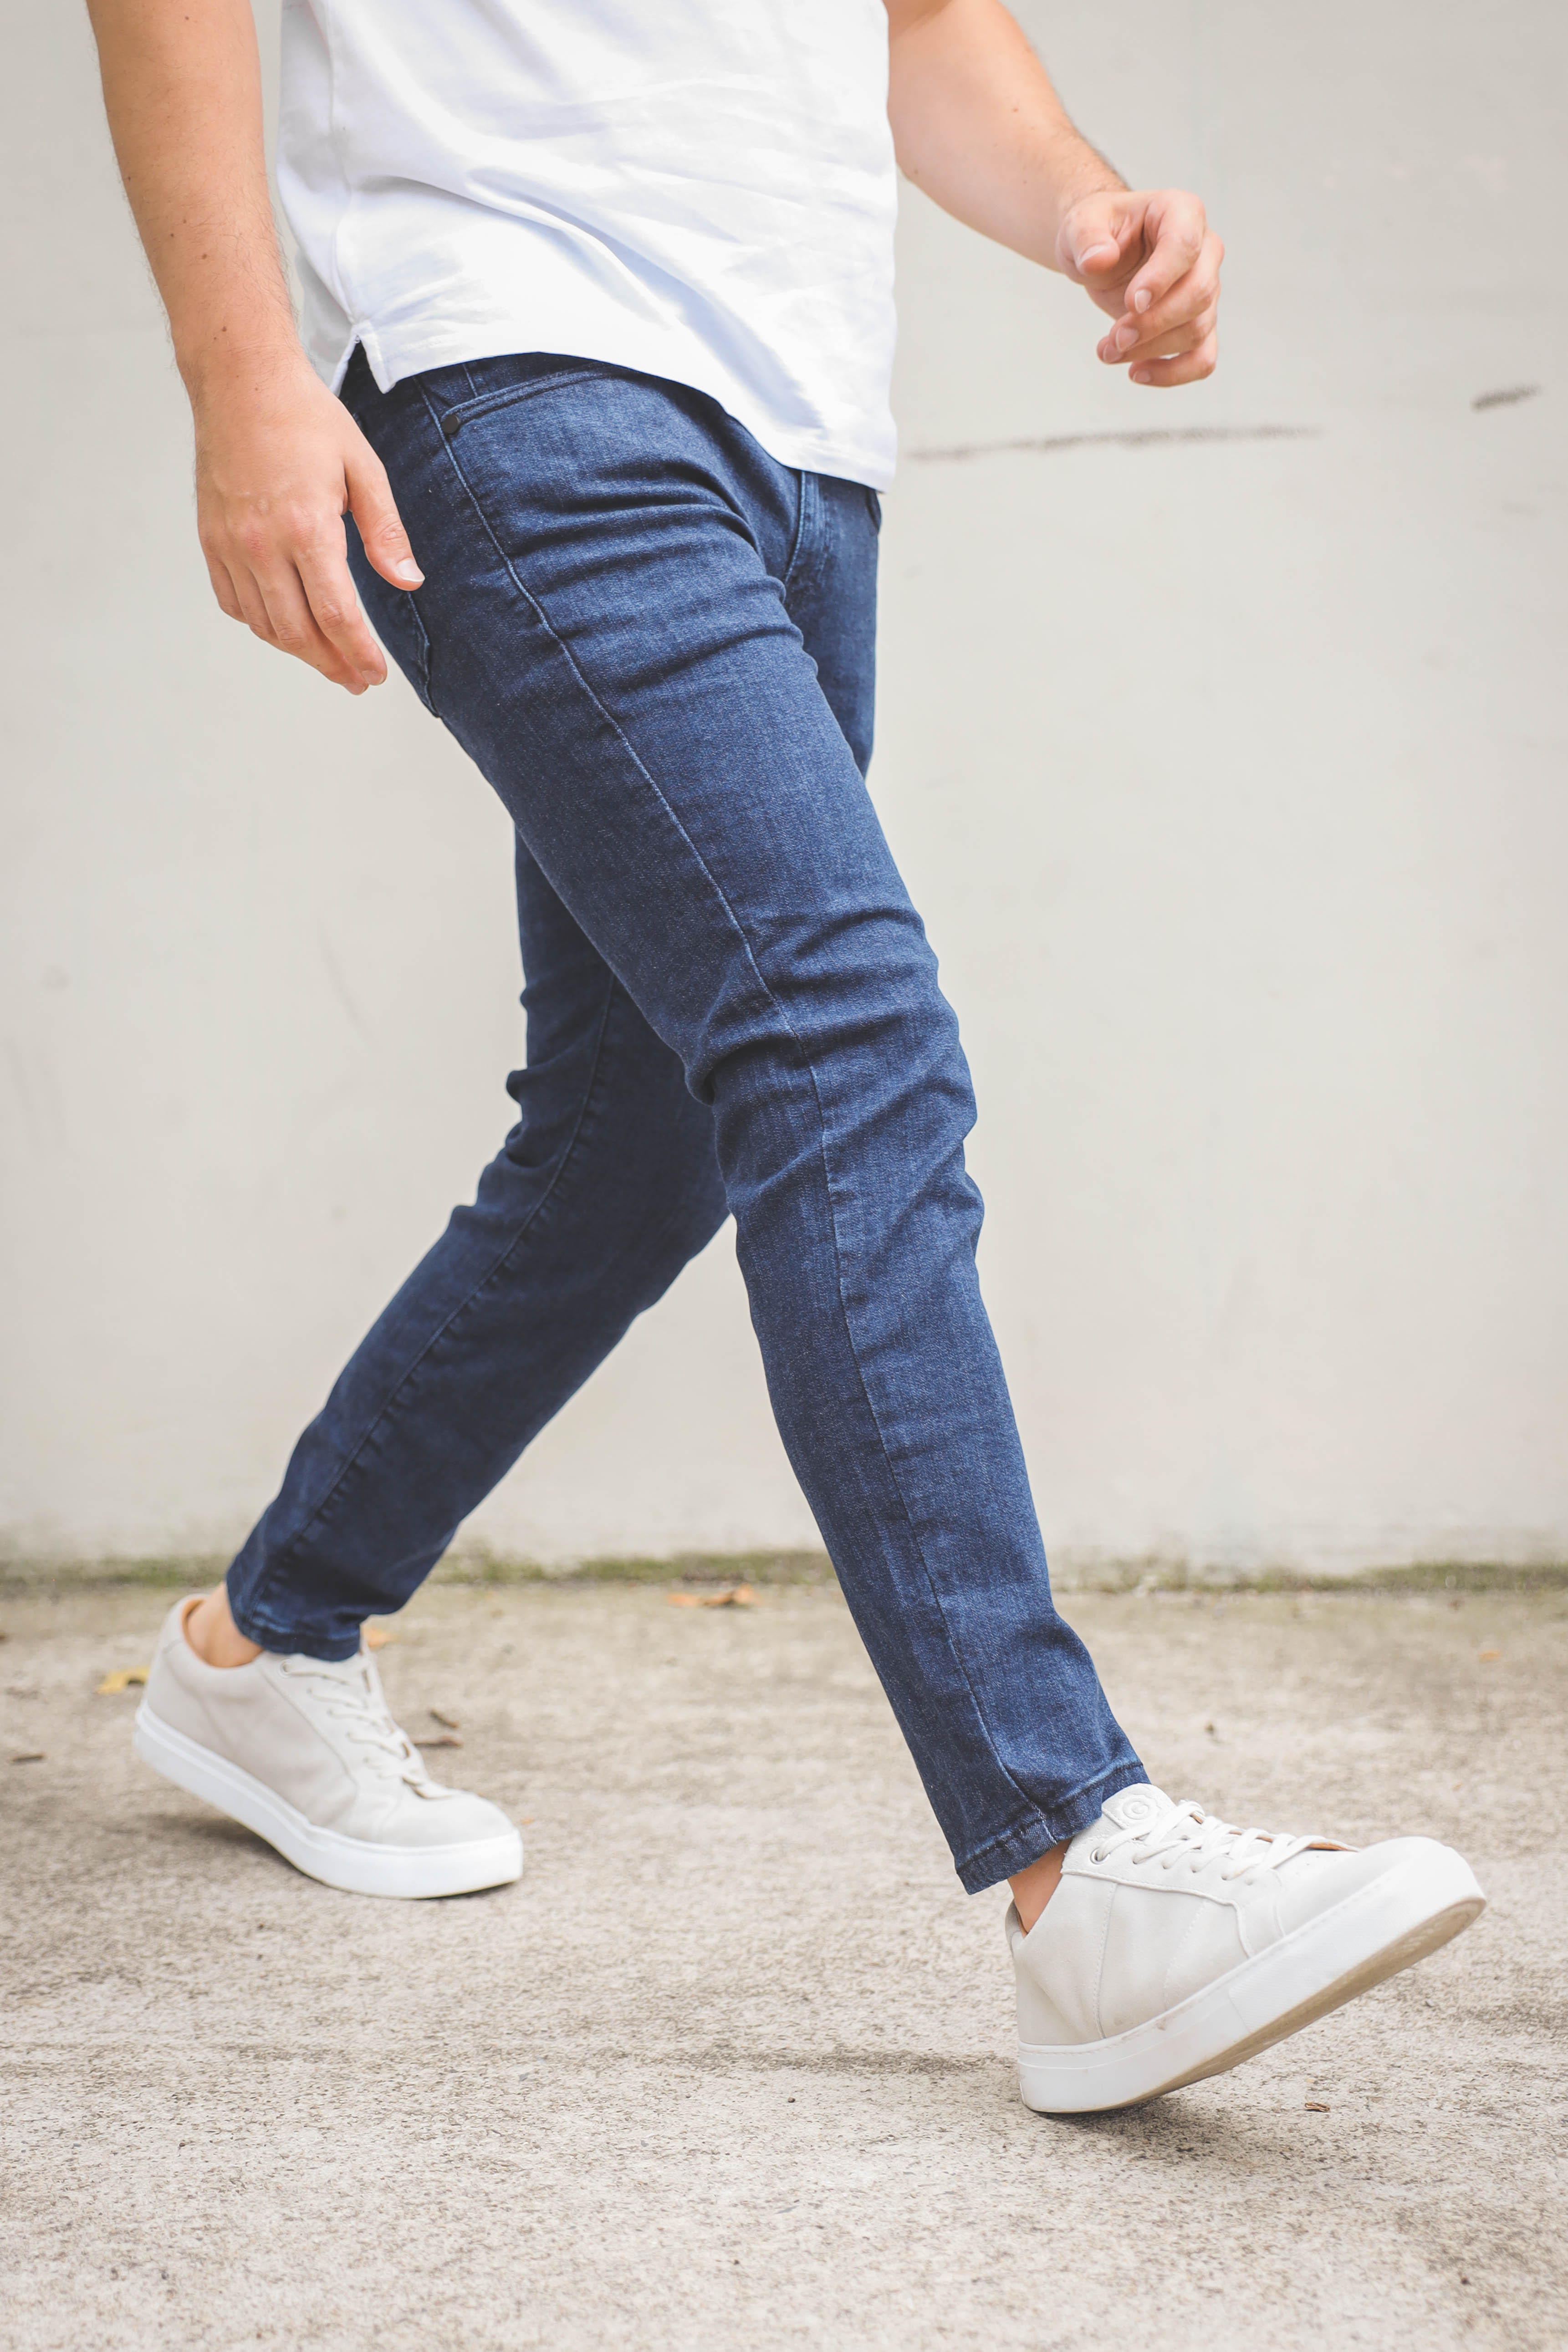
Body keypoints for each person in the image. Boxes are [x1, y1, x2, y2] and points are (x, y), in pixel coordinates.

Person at [88, 0, 1483, 2115]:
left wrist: (1085, 205)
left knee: (633, 1136)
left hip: (806, 439)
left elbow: (919, 23)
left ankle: (266, 1645)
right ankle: (1071, 1853)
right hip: (517, 366)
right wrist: (239, 370)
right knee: (848, 1047)